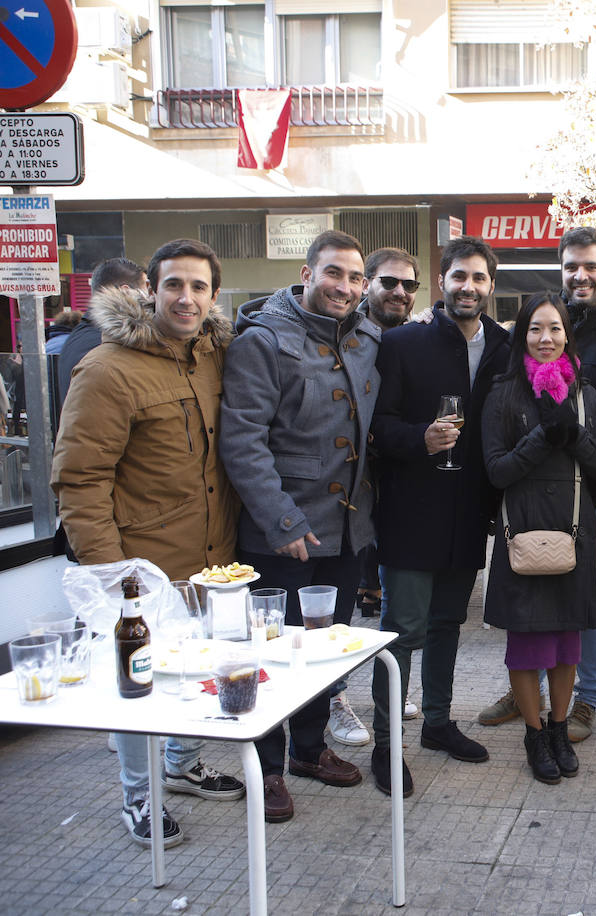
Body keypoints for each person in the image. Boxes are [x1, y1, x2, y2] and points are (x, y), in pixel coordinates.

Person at [51, 238, 246, 847]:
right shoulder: (108, 369)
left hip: (212, 562)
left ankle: (182, 764)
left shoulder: (217, 354)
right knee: (138, 686)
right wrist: (111, 576)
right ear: (149, 290)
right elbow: (80, 478)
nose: (185, 298)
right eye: (173, 285)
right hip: (141, 570)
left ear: (213, 296)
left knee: (198, 671)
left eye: (197, 287)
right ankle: (138, 798)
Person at [220, 229, 381, 822]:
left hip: (344, 535)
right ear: (307, 272)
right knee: (272, 657)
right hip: (282, 535)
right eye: (333, 273)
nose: (344, 286)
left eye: (354, 278)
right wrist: (281, 518)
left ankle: (311, 751)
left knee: (322, 652)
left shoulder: (367, 339)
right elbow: (242, 441)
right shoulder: (262, 341)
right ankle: (269, 770)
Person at [478, 226, 596, 743]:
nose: (581, 275)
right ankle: (529, 693)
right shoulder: (538, 324)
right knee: (533, 597)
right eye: (572, 266)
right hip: (530, 499)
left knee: (594, 604)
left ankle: (585, 700)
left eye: (591, 266)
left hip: (593, 495)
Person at [365, 237, 510, 796]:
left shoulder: (506, 345)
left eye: (478, 278)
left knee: (449, 624)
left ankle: (437, 723)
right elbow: (378, 425)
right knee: (401, 632)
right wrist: (418, 439)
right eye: (458, 277)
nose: (468, 287)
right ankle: (386, 744)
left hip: (470, 511)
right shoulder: (403, 343)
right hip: (411, 510)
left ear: (490, 286)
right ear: (441, 281)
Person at [481, 292, 596, 784]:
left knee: (566, 646)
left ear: (567, 335)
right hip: (524, 536)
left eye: (555, 329)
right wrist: (542, 437)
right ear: (523, 334)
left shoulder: (585, 393)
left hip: (573, 534)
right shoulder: (504, 392)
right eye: (536, 329)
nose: (546, 339)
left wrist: (574, 434)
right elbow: (495, 471)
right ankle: (535, 735)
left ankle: (560, 730)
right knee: (527, 647)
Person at [354, 247, 422, 623]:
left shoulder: (420, 335)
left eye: (409, 284)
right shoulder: (342, 332)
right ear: (366, 285)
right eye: (389, 282)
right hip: (347, 472)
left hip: (396, 468)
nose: (400, 291)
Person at [57, 258, 149, 407]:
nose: (150, 297)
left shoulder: (80, 336)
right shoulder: (105, 341)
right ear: (126, 291)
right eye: (146, 289)